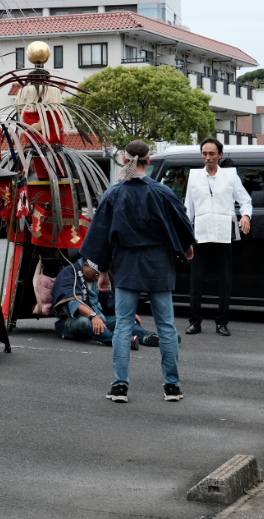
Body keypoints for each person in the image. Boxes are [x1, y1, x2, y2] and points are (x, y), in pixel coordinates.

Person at [81, 139, 195, 404]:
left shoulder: (114, 193)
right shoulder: (162, 191)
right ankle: (172, 387)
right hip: (158, 261)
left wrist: (104, 272)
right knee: (166, 326)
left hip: (127, 262)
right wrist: (186, 250)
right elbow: (182, 223)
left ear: (124, 159)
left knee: (123, 325)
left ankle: (120, 386)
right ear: (149, 161)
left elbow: (101, 237)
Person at [184, 137, 252, 337]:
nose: (208, 158)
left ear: (220, 155)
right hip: (200, 235)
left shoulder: (230, 176)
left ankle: (222, 322)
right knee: (196, 281)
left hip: (223, 234)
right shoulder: (194, 177)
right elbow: (188, 208)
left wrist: (245, 216)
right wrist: (187, 236)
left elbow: (245, 200)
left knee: (225, 280)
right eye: (204, 154)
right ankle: (194, 321)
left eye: (212, 154)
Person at [51, 257, 157, 348]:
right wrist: (93, 316)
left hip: (98, 318)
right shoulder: (69, 273)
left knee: (126, 319)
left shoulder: (97, 279)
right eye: (96, 274)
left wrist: (128, 313)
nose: (98, 278)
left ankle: (146, 337)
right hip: (71, 322)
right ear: (85, 265)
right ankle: (121, 341)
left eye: (100, 275)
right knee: (85, 322)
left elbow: (109, 300)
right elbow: (74, 303)